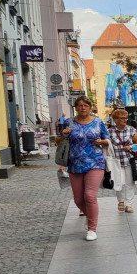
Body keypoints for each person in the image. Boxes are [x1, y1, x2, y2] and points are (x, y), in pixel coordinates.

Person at [55, 95, 110, 241]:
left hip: (95, 162)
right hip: (75, 163)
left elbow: (108, 139)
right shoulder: (69, 122)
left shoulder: (98, 122)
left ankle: (92, 228)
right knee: (78, 199)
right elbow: (58, 141)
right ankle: (90, 215)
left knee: (90, 196)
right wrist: (63, 135)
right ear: (76, 108)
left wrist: (102, 142)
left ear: (90, 107)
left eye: (86, 105)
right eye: (80, 105)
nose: (83, 108)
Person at [108, 107, 137, 214]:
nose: (124, 120)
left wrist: (131, 147)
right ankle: (121, 201)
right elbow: (106, 146)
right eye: (122, 118)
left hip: (129, 160)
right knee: (119, 182)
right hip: (116, 161)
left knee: (129, 183)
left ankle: (129, 204)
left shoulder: (131, 130)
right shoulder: (110, 132)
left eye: (126, 118)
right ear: (115, 119)